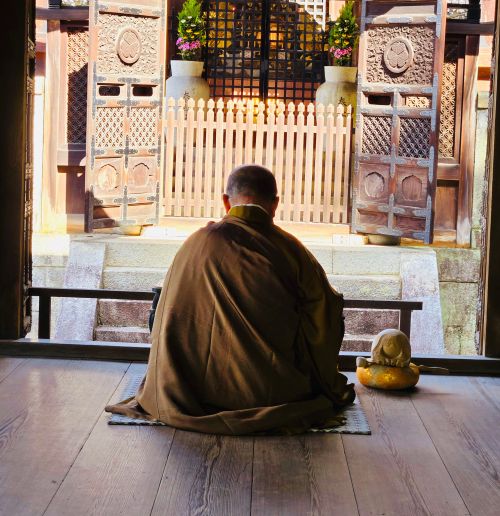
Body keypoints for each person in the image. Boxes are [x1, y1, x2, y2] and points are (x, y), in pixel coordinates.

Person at [105, 164, 355, 434]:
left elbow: (167, 314)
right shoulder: (292, 250)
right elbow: (324, 318)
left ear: (226, 201)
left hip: (186, 390)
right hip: (268, 394)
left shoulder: (195, 244)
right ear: (275, 204)